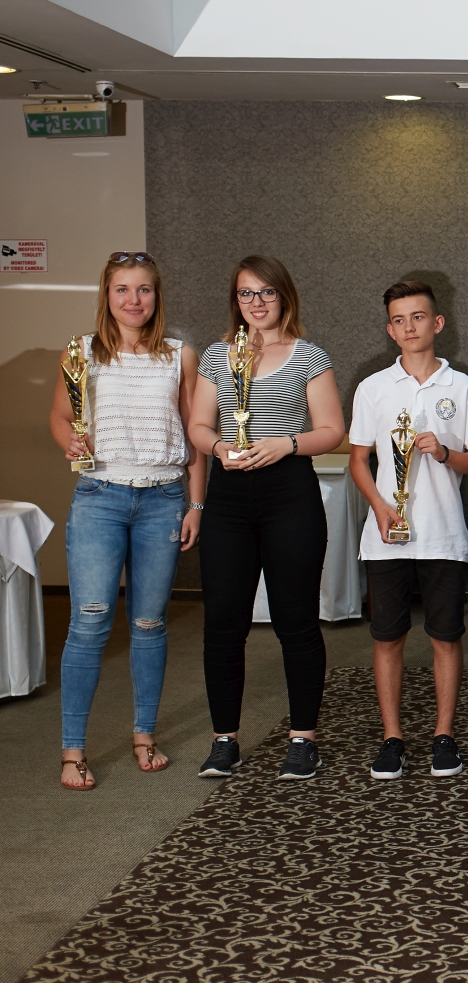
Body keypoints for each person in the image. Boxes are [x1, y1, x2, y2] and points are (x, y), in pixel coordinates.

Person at [48, 251, 204, 790]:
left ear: (156, 296)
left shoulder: (180, 356)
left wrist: (196, 505)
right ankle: (73, 750)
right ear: (107, 295)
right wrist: (69, 440)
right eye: (122, 289)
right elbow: (61, 415)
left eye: (144, 289)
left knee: (148, 624)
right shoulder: (82, 351)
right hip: (100, 496)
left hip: (163, 498)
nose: (133, 299)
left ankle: (144, 735)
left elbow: (194, 432)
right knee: (90, 621)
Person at [189, 255, 346, 780]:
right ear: (235, 301)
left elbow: (332, 430)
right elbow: (198, 425)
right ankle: (224, 741)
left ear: (284, 296)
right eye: (245, 293)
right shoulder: (217, 355)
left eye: (266, 292)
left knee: (295, 620)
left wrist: (287, 444)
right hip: (229, 498)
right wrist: (218, 448)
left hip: (289, 494)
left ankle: (303, 739)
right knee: (223, 622)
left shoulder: (309, 356)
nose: (256, 303)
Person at [348, 281, 468, 780]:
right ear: (390, 329)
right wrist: (380, 507)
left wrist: (444, 452)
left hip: (443, 533)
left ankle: (443, 736)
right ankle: (393, 738)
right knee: (388, 637)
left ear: (438, 323)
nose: (409, 327)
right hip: (386, 535)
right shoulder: (373, 387)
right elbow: (359, 460)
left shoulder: (462, 387)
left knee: (445, 636)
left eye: (418, 317)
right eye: (399, 320)